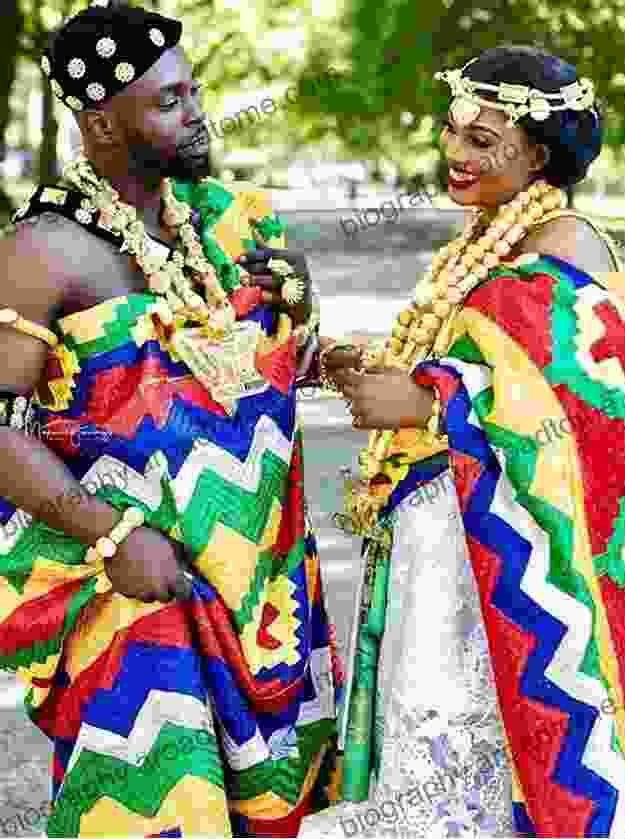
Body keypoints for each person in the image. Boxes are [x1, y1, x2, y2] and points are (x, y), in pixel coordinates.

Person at [300, 45, 625, 837]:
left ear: (537, 154)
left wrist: (436, 399)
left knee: (497, 743)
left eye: (481, 138)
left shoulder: (562, 246)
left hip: (511, 550)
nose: (454, 153)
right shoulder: (493, 238)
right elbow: (463, 368)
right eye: (451, 131)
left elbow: (599, 412)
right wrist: (380, 375)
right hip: (449, 534)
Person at [0, 3, 342, 836]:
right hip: (135, 586)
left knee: (271, 808)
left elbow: (282, 326)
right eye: (168, 101)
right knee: (155, 804)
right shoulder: (45, 250)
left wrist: (298, 315)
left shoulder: (226, 219)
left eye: (193, 91)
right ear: (98, 123)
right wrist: (112, 535)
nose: (195, 114)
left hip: (260, 590)